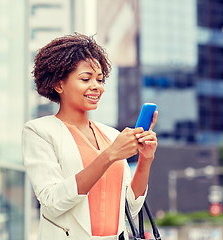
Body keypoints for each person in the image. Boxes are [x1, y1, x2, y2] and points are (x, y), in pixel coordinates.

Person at [22, 33, 158, 240]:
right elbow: (52, 202)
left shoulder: (112, 135)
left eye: (100, 79)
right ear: (59, 85)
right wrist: (109, 155)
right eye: (86, 79)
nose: (96, 86)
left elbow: (131, 206)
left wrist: (145, 160)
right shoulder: (39, 131)